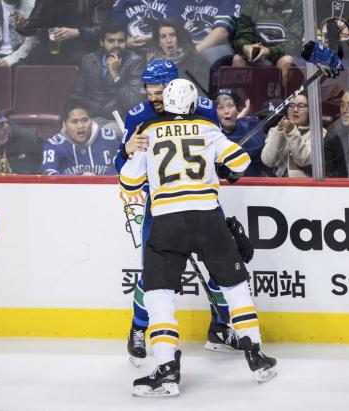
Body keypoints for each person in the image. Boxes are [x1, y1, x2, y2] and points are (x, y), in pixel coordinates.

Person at [120, 78, 277, 397]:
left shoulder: (149, 130)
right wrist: (222, 170)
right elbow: (240, 162)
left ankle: (166, 370)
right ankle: (257, 355)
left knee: (159, 295)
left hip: (166, 222)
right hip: (208, 217)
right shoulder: (207, 128)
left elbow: (129, 179)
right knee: (234, 287)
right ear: (192, 105)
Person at [115, 60, 251, 364]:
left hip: (202, 202)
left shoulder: (202, 108)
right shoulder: (138, 116)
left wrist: (227, 167)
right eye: (149, 91)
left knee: (221, 265)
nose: (154, 97)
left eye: (159, 90)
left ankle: (219, 328)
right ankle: (138, 328)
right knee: (154, 272)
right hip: (161, 205)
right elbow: (121, 169)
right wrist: (126, 151)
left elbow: (220, 157)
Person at [70, 21, 144, 131]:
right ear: (102, 42)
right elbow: (77, 95)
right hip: (90, 118)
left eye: (121, 41)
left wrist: (115, 76)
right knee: (65, 132)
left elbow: (135, 102)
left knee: (107, 133)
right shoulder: (88, 60)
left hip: (118, 120)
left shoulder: (136, 62)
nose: (116, 45)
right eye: (111, 41)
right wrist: (73, 118)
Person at [233, 0, 304, 89]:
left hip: (281, 54)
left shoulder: (296, 3)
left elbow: (295, 41)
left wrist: (270, 51)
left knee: (286, 61)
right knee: (238, 59)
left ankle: (280, 101)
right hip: (256, 56)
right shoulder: (251, 3)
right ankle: (242, 101)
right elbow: (242, 35)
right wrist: (247, 47)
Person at [16, 0, 109, 66]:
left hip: (82, 47)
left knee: (79, 59)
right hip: (51, 47)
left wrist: (77, 32)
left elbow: (101, 30)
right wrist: (22, 27)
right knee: (32, 58)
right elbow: (32, 27)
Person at [42, 100, 120, 175]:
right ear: (64, 125)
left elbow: (125, 171)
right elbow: (49, 174)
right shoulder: (54, 145)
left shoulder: (111, 139)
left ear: (92, 121)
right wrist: (79, 180)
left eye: (85, 120)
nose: (80, 126)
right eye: (74, 122)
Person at [261, 92, 326, 177]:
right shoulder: (275, 131)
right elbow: (268, 161)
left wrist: (291, 132)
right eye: (291, 105)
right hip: (278, 186)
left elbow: (304, 160)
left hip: (305, 187)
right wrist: (279, 133)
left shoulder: (319, 133)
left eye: (301, 106)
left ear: (310, 110)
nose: (295, 109)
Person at [214, 88, 270, 176]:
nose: (226, 111)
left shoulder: (252, 123)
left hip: (250, 185)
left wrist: (239, 121)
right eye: (221, 107)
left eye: (230, 106)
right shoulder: (211, 131)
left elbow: (255, 148)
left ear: (238, 109)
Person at [168, 0, 241, 65]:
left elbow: (222, 31)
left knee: (210, 54)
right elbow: (170, 28)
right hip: (186, 48)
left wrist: (193, 52)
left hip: (215, 46)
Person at [147, 19, 210, 91]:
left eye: (172, 35)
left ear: (178, 39)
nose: (169, 40)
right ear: (159, 43)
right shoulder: (151, 65)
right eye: (163, 36)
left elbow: (205, 93)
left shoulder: (197, 63)